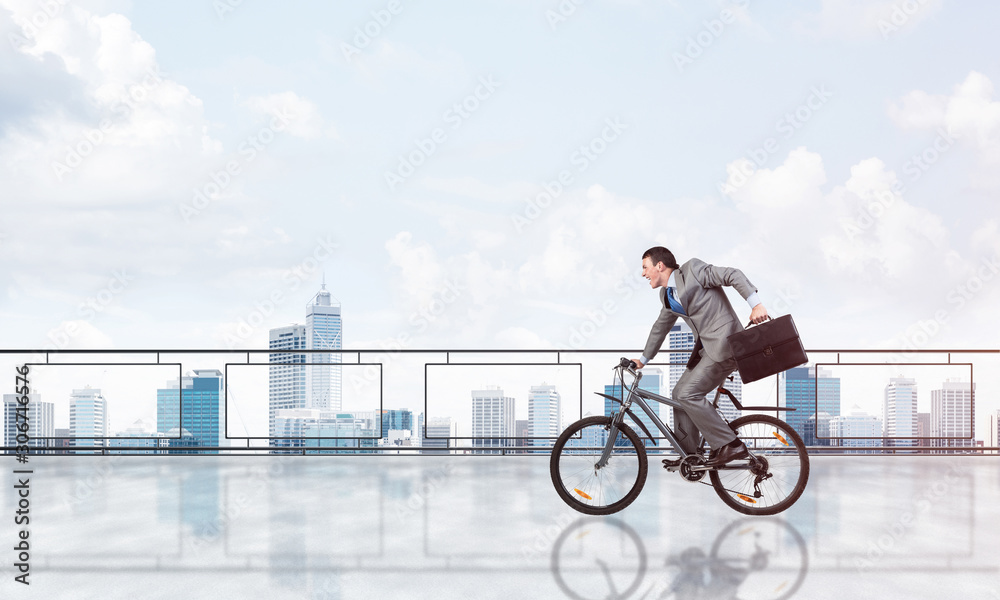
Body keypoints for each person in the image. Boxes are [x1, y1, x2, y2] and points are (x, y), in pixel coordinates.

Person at [631, 246, 768, 467]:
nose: (643, 273)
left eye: (645, 267)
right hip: (707, 351)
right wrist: (643, 360)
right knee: (678, 395)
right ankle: (690, 455)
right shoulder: (666, 295)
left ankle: (731, 445)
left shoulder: (692, 270)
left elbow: (732, 274)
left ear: (660, 265)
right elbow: (660, 327)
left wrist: (756, 305)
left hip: (726, 346)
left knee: (687, 393)